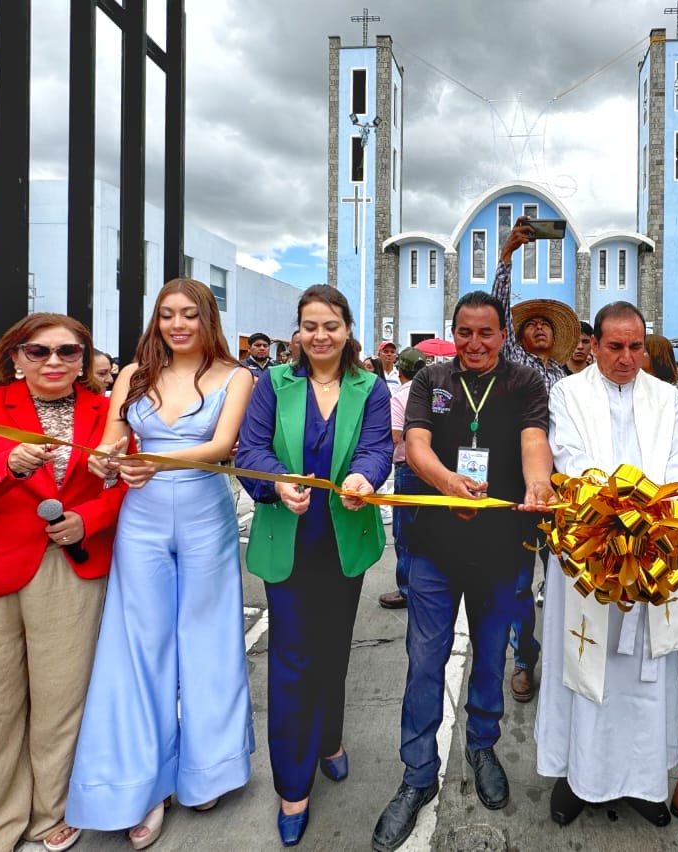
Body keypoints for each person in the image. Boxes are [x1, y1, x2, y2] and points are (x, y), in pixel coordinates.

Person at [67, 278, 254, 850]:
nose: (177, 324)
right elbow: (110, 442)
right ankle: (139, 784)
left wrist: (153, 460)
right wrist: (103, 462)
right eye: (167, 314)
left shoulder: (238, 375)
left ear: (208, 319)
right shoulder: (132, 375)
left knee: (209, 640)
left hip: (205, 520)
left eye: (189, 314)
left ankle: (209, 769)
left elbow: (222, 445)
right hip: (141, 522)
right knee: (136, 648)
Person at [0, 313, 124, 852]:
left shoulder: (110, 412)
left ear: (84, 359)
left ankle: (52, 811)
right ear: (14, 357)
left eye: (68, 351)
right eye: (38, 352)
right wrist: (8, 468)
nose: (54, 361)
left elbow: (128, 485)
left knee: (64, 702)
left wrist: (93, 517)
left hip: (70, 563)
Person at [370, 290, 555, 852]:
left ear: (504, 336)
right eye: (466, 333)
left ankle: (482, 743)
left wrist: (538, 482)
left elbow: (534, 441)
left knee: (491, 654)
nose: (476, 343)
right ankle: (417, 774)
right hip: (434, 550)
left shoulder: (526, 383)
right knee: (424, 661)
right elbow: (418, 446)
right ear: (455, 334)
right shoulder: (431, 380)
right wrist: (448, 481)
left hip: (502, 549)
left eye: (487, 333)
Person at [537, 301, 678, 827]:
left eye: (636, 346)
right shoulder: (567, 392)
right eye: (614, 346)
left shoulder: (665, 396)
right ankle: (577, 778)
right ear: (593, 345)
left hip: (653, 554)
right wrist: (623, 506)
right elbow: (568, 457)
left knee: (645, 673)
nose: (626, 357)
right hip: (589, 552)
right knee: (580, 665)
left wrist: (659, 512)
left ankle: (641, 782)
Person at [235, 284, 392, 846]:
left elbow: (377, 447)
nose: (320, 335)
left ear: (348, 329)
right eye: (310, 326)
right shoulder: (272, 384)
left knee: (333, 648)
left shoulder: (369, 387)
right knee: (294, 660)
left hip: (344, 543)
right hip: (290, 546)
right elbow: (250, 452)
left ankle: (330, 738)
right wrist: (275, 483)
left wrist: (365, 478)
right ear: (297, 333)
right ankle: (293, 784)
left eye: (331, 325)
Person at [491, 218, 578, 704]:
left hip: (567, 492)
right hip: (523, 489)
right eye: (531, 324)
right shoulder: (514, 366)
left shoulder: (569, 376)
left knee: (569, 581)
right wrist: (506, 259)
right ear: (517, 336)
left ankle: (571, 657)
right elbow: (497, 312)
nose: (539, 328)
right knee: (520, 586)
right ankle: (524, 661)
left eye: (547, 324)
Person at [379, 346, 428, 610]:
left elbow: (395, 435)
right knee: (431, 528)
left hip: (408, 468)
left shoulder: (399, 397)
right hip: (436, 469)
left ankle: (408, 590)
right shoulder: (436, 391)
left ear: (400, 372)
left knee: (406, 533)